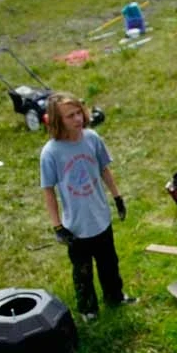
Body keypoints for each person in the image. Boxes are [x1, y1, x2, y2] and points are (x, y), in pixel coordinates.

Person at [40, 91, 137, 322]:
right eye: (70, 116)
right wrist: (57, 226)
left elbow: (104, 169)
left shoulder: (92, 138)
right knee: (82, 272)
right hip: (76, 227)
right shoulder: (51, 153)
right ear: (57, 120)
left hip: (101, 218)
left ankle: (115, 296)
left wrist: (117, 197)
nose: (77, 119)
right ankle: (88, 309)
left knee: (109, 263)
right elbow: (48, 191)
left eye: (78, 113)